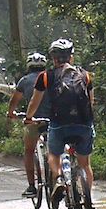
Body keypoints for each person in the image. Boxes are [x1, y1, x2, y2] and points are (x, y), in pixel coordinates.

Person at [25, 38, 95, 200]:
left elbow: (34, 102)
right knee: (85, 164)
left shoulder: (45, 77)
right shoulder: (85, 76)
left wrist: (29, 117)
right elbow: (91, 102)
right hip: (84, 124)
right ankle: (88, 200)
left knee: (53, 155)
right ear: (71, 56)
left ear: (53, 58)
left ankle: (58, 180)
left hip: (59, 125)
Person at [7, 52, 51, 198]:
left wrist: (11, 113)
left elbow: (14, 100)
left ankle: (32, 186)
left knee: (29, 150)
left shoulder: (24, 81)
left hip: (33, 120)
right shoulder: (51, 77)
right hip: (53, 119)